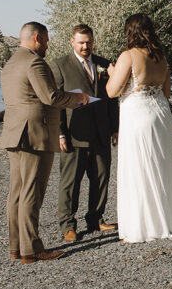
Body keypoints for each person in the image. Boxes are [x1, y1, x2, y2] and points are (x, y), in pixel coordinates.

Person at [0, 22, 87, 264]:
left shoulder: (10, 64)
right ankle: (31, 249)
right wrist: (78, 98)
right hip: (34, 135)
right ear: (37, 38)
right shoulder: (35, 62)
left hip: (14, 133)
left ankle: (16, 247)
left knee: (16, 193)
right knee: (32, 193)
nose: (47, 45)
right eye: (46, 40)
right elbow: (50, 96)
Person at [105, 14, 172, 241]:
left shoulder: (129, 56)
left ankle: (145, 225)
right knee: (160, 164)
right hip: (160, 113)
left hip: (138, 115)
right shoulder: (161, 56)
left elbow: (111, 91)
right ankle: (166, 216)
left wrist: (112, 74)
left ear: (130, 32)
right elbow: (165, 92)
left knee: (140, 167)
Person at [49, 24, 119, 243]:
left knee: (101, 178)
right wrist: (60, 133)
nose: (85, 46)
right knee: (70, 182)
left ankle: (96, 218)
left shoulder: (104, 64)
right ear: (72, 42)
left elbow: (111, 98)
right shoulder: (60, 66)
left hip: (101, 130)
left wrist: (115, 128)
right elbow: (56, 102)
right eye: (80, 42)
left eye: (88, 42)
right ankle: (68, 225)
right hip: (74, 132)